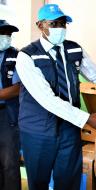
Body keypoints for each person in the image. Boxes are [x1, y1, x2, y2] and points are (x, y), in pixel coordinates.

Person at [16, 4, 96, 190]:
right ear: (40, 25)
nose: (60, 28)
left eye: (63, 23)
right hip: (38, 129)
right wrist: (87, 118)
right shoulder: (26, 56)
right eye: (54, 23)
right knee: (39, 182)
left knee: (68, 180)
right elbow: (46, 98)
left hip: (68, 128)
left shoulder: (74, 50)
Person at [0, 20, 21, 190]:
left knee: (9, 163)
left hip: (8, 114)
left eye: (9, 34)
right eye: (3, 33)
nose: (6, 37)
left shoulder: (17, 56)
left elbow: (18, 88)